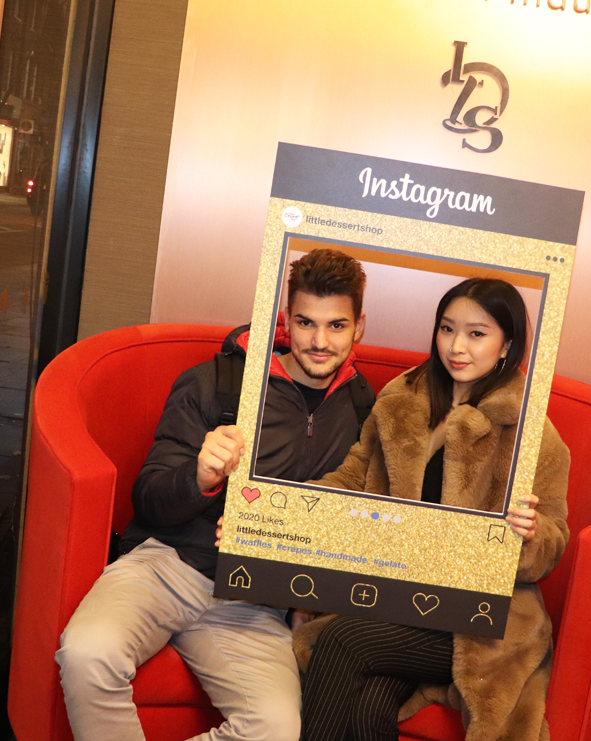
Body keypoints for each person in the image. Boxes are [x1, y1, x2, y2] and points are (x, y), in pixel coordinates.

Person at [56, 248, 374, 741]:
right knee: (86, 653)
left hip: (254, 600)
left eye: (336, 326)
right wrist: (199, 476)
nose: (318, 340)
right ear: (287, 320)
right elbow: (149, 499)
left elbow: (360, 523)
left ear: (358, 328)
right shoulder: (220, 383)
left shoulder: (362, 410)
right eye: (306, 322)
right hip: (167, 566)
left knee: (275, 730)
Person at [294, 277, 571, 741]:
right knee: (367, 708)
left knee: (343, 642)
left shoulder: (532, 434)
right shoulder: (401, 399)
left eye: (477, 334)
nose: (457, 346)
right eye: (447, 329)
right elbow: (353, 477)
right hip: (395, 596)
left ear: (507, 344)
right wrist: (289, 513)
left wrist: (531, 531)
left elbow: (554, 539)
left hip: (480, 620)